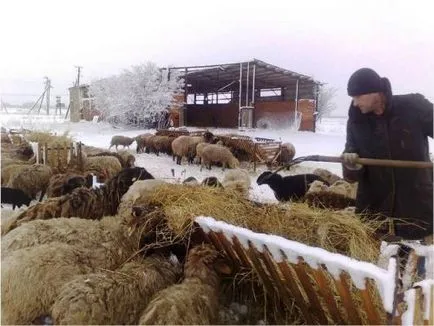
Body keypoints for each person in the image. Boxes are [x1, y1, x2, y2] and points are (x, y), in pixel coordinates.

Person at [341, 67, 433, 240]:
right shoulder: (356, 122)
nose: (355, 103)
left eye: (358, 96)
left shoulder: (413, 107)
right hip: (374, 212)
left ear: (375, 92)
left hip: (415, 209)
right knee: (374, 265)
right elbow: (351, 162)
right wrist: (351, 164)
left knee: (414, 261)